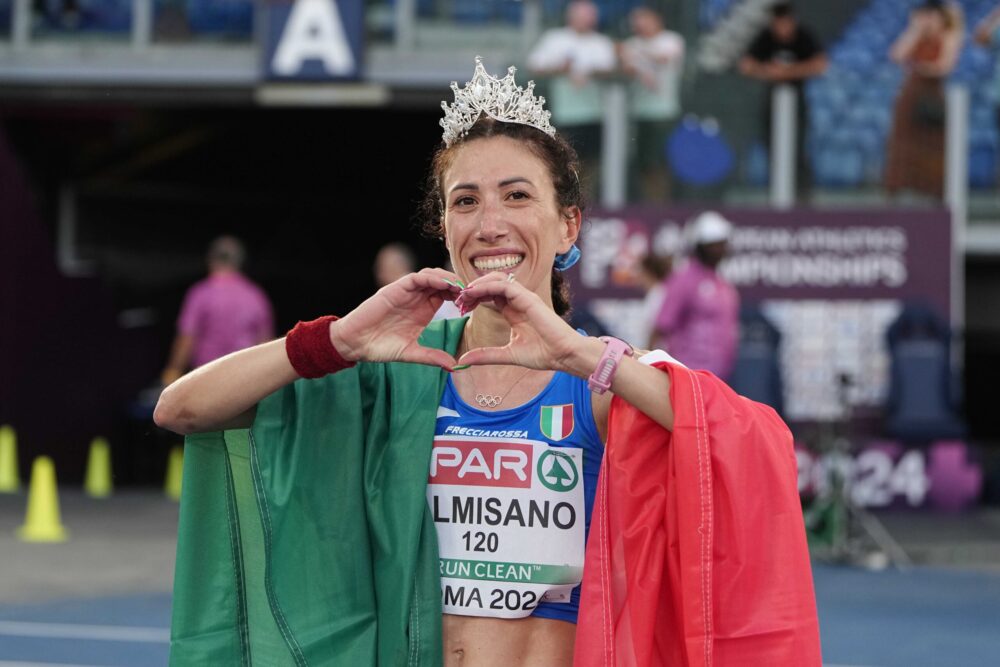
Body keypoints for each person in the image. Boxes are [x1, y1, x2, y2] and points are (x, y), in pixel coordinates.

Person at [155, 58, 820, 666]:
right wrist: (337, 343)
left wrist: (575, 351)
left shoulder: (603, 381)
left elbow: (754, 451)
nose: (490, 222)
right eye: (465, 201)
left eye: (517, 195)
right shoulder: (402, 372)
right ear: (443, 226)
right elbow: (181, 408)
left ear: (568, 225)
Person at [526, 0, 616, 200]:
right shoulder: (555, 39)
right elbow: (535, 66)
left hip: (595, 112)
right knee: (564, 158)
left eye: (589, 16)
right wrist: (562, 69)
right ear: (571, 17)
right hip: (564, 113)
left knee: (591, 160)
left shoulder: (601, 42)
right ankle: (566, 198)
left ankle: (587, 198)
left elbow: (612, 71)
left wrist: (590, 73)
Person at [738, 2, 827, 198]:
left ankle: (802, 195)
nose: (782, 28)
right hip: (772, 99)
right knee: (771, 146)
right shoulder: (765, 37)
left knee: (798, 149)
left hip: (797, 99)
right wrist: (768, 72)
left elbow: (820, 64)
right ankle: (774, 193)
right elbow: (746, 65)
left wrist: (788, 72)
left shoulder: (803, 36)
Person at [160, 235, 273, 386]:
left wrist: (173, 371)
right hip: (245, 382)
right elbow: (265, 343)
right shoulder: (256, 296)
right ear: (240, 262)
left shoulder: (201, 293)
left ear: (211, 259)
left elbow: (187, 339)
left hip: (207, 380)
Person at [885, 0, 963, 200]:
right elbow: (896, 55)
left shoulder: (949, 35)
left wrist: (918, 67)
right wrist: (915, 30)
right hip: (911, 95)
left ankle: (933, 194)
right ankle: (900, 191)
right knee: (904, 146)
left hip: (932, 97)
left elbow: (944, 66)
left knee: (932, 146)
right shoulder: (917, 34)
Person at [650, 211, 740, 381]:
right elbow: (661, 326)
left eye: (723, 244)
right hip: (689, 375)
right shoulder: (684, 279)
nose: (721, 250)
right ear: (701, 246)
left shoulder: (721, 281)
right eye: (715, 245)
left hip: (721, 376)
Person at [619, 6, 685, 203]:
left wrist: (634, 54)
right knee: (645, 163)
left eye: (643, 19)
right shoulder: (632, 44)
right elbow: (626, 69)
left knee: (664, 162)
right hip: (640, 113)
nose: (638, 25)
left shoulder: (671, 39)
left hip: (665, 113)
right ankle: (650, 202)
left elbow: (664, 57)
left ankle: (663, 203)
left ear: (656, 19)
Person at [635, 252, 673, 350]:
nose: (638, 276)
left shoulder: (659, 294)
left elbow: (657, 327)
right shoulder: (654, 294)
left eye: (640, 271)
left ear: (649, 272)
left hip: (656, 352)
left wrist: (647, 351)